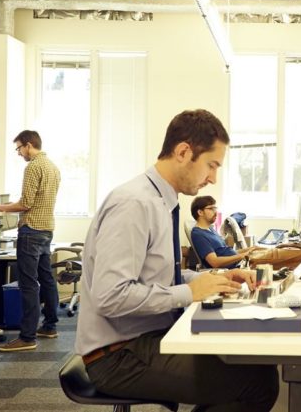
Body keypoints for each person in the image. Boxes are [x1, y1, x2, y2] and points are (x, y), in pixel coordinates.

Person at [74, 109, 279, 411]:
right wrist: (188, 293)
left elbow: (157, 277)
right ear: (183, 152)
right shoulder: (134, 204)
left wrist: (213, 280)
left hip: (141, 339)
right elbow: (110, 296)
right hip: (117, 355)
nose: (213, 178)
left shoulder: (161, 201)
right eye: (211, 165)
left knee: (254, 365)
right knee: (258, 382)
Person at [0, 130, 61, 352]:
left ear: (28, 145)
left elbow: (26, 203)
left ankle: (27, 337)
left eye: (19, 148)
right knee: (47, 279)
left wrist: (0, 207)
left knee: (28, 284)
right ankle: (50, 326)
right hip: (46, 228)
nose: (18, 153)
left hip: (31, 230)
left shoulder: (33, 167)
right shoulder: (53, 167)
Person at [190, 196, 258, 269]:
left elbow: (227, 253)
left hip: (238, 264)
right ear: (200, 212)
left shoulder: (210, 229)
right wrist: (242, 256)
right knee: (264, 262)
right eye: (211, 208)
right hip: (229, 270)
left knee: (261, 252)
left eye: (215, 208)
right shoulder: (198, 234)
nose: (216, 212)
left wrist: (249, 250)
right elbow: (215, 262)